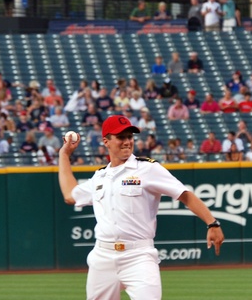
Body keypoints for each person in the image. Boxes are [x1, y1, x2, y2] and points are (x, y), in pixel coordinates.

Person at [58, 116, 224, 300]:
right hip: (102, 256)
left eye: (130, 136)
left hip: (139, 257)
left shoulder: (147, 169)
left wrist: (212, 223)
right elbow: (69, 195)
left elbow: (184, 194)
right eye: (121, 137)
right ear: (106, 141)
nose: (127, 141)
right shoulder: (100, 177)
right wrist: (64, 155)